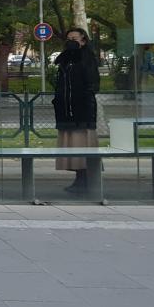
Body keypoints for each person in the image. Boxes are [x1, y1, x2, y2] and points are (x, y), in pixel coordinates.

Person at [53, 27, 100, 193]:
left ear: (83, 40)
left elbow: (93, 83)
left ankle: (85, 179)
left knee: (83, 144)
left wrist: (82, 100)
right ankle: (79, 178)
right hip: (66, 109)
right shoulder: (65, 59)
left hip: (82, 110)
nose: (71, 42)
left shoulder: (87, 57)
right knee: (72, 145)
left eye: (75, 38)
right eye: (69, 39)